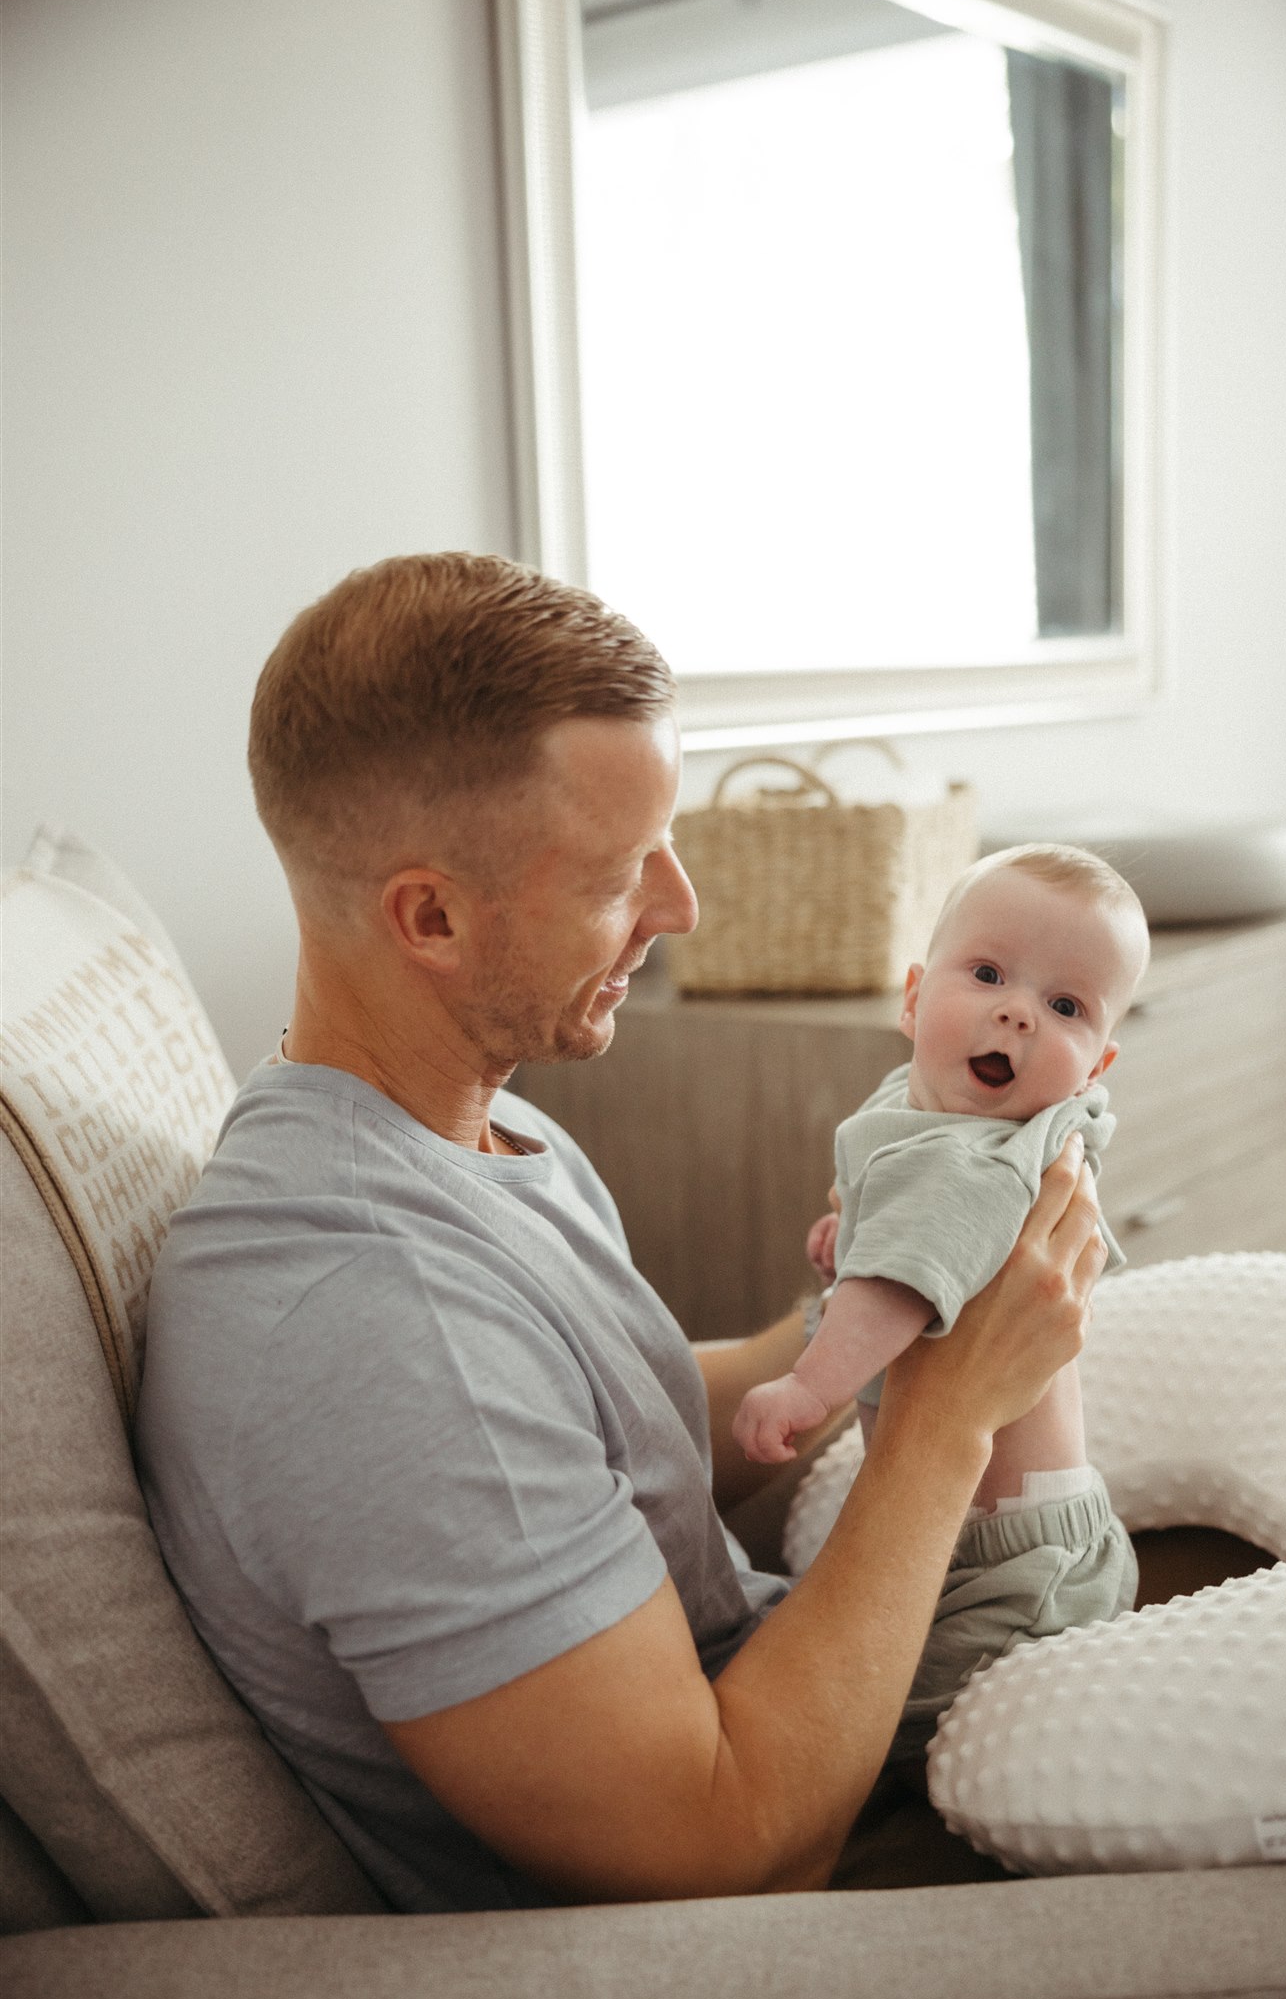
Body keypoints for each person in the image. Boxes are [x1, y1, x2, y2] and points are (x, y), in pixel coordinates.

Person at [136, 551, 1114, 1914]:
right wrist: (947, 1415)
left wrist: (858, 1326)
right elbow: (726, 1850)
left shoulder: (461, 1130)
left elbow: (614, 1437)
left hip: (800, 1689)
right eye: (617, 873)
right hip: (775, 1874)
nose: (679, 905)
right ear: (430, 915)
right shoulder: (371, 1320)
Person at [734, 845, 1149, 1473]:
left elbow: (898, 1288)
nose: (1017, 1013)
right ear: (913, 998)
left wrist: (809, 1389)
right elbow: (904, 1224)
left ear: (1093, 1070)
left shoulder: (978, 1161)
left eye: (1065, 1007)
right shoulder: (909, 1098)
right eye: (988, 974)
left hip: (1010, 1543)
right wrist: (857, 1235)